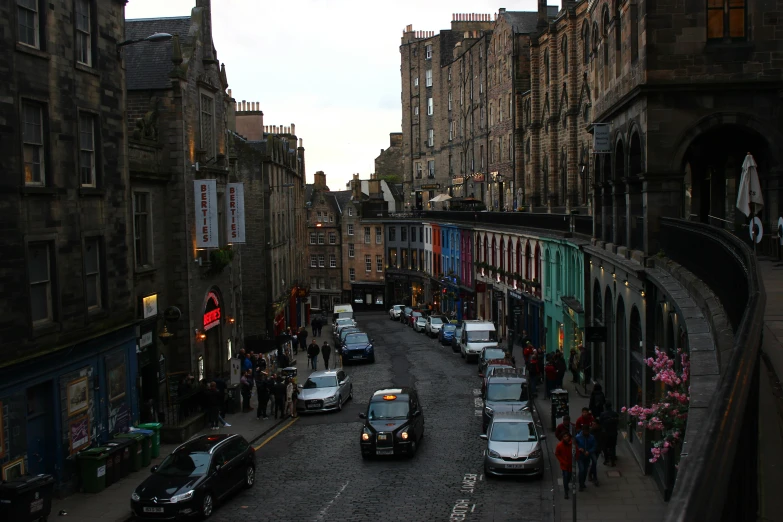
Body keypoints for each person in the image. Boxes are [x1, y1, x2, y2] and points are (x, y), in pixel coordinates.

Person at [575, 424, 598, 491]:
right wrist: (579, 448)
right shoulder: (578, 437)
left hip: (587, 456)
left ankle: (583, 483)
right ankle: (580, 484)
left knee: (585, 470)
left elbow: (594, 446)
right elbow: (575, 445)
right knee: (581, 470)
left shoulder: (591, 437)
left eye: (587, 431)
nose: (586, 433)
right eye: (585, 431)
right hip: (580, 456)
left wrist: (589, 451)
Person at [599, 402, 619, 466]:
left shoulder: (602, 414)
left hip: (605, 433)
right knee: (612, 447)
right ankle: (613, 461)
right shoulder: (615, 414)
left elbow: (600, 423)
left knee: (605, 447)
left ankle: (606, 460)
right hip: (613, 433)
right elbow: (617, 422)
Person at [555, 432, 574, 499]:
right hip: (564, 465)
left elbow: (576, 452)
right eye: (564, 436)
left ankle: (566, 486)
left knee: (569, 476)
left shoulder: (572, 444)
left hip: (571, 464)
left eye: (567, 436)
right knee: (565, 477)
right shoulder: (560, 445)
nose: (566, 438)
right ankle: (566, 492)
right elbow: (557, 454)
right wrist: (562, 461)